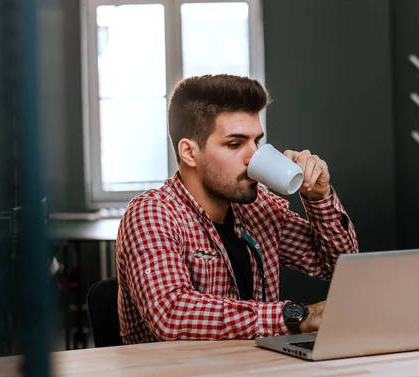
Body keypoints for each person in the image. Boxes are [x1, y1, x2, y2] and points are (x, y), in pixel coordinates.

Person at [116, 74, 358, 344]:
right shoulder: (152, 213)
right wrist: (298, 316)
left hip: (254, 373)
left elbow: (338, 266)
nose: (253, 155)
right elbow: (172, 314)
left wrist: (318, 196)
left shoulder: (258, 207)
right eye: (235, 144)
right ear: (189, 152)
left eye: (256, 142)